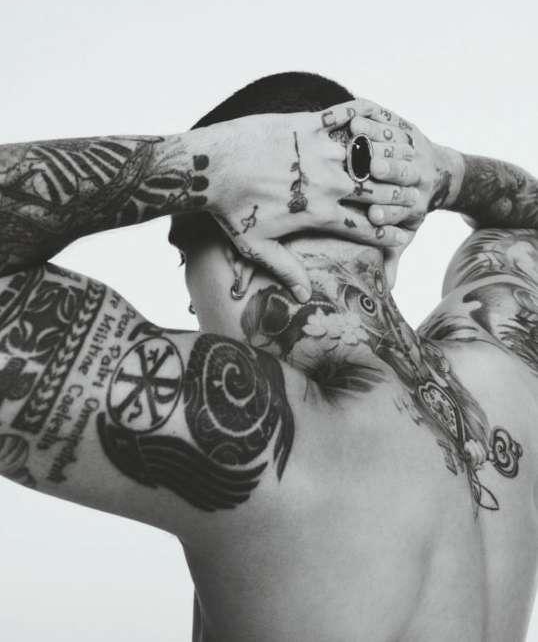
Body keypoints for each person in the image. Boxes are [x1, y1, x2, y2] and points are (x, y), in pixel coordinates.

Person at [0, 71, 535, 642]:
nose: (191, 302)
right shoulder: (503, 362)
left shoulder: (259, 437)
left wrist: (209, 165)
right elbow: (526, 219)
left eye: (186, 259)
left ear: (243, 247)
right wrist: (442, 173)